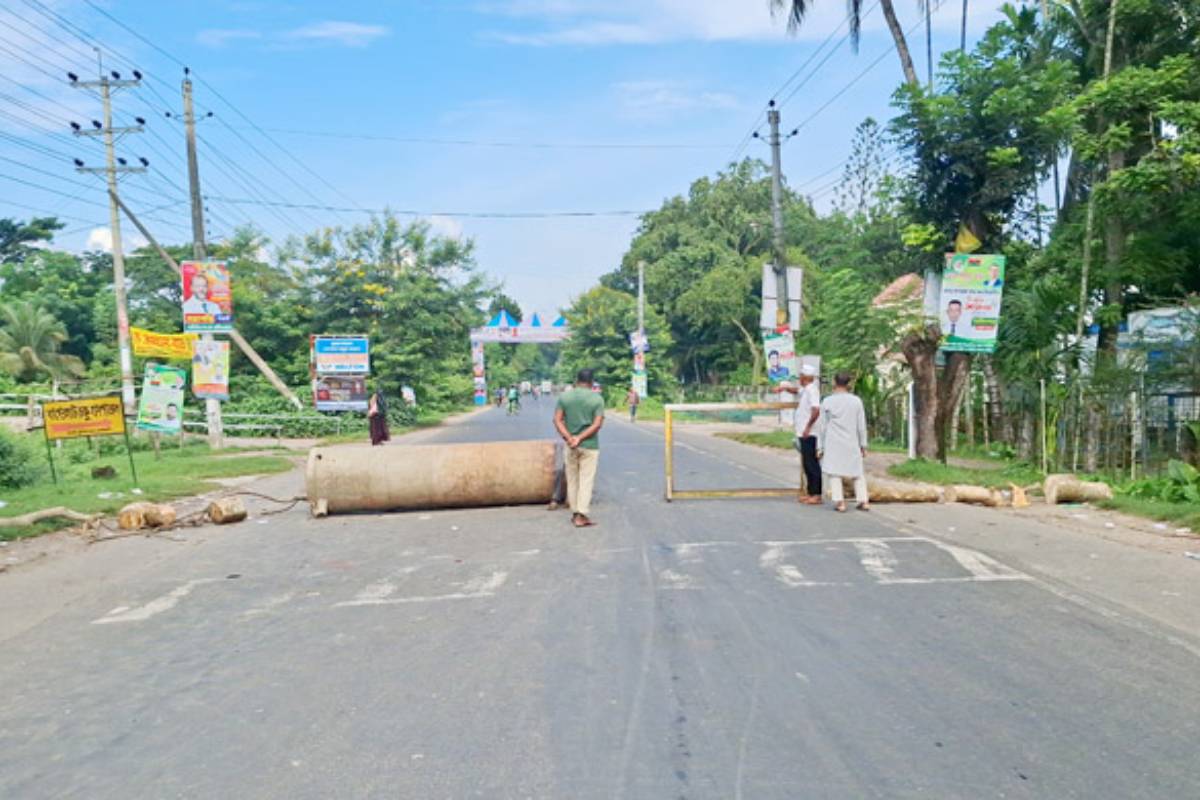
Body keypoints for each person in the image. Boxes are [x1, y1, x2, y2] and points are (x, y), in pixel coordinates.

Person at [554, 368, 605, 528]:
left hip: (570, 446)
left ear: (577, 381)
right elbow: (597, 424)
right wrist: (580, 438)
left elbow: (557, 420)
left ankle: (575, 512)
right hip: (589, 445)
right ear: (591, 382)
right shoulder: (597, 399)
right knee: (586, 479)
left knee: (572, 479)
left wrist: (570, 438)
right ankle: (581, 515)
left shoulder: (565, 397)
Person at [816, 372, 869, 513]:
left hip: (833, 442)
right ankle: (863, 501)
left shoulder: (827, 401)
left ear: (834, 383)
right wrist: (863, 445)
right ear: (848, 384)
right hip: (852, 441)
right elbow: (861, 426)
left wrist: (820, 446)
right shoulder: (856, 401)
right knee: (857, 472)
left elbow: (822, 426)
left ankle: (840, 503)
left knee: (834, 472)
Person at [780, 364, 822, 504]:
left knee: (811, 464)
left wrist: (808, 427)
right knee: (807, 463)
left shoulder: (812, 391)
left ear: (805, 377)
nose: (799, 378)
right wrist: (785, 388)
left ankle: (816, 494)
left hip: (809, 433)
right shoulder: (806, 389)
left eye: (801, 376)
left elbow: (816, 410)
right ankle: (810, 492)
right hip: (804, 431)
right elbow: (796, 390)